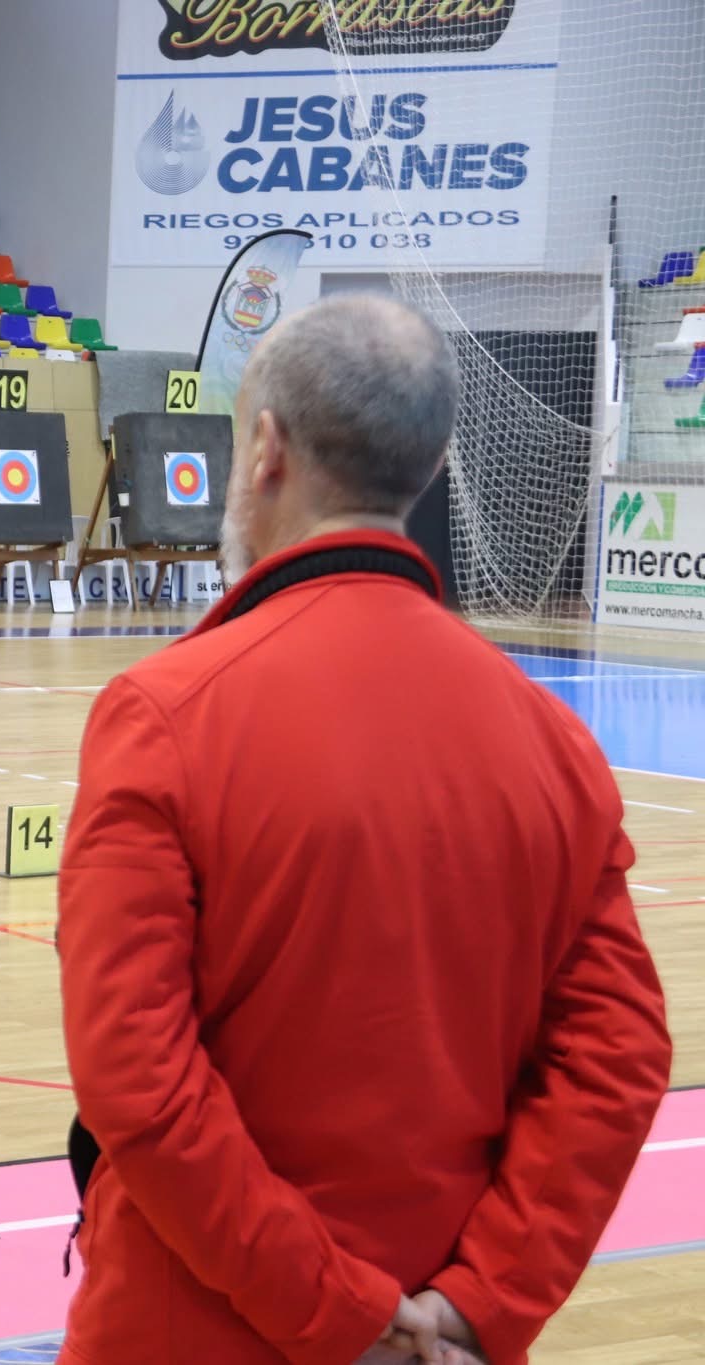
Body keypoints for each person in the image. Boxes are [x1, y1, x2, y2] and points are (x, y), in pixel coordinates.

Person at [55, 294, 671, 1365]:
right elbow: (616, 1055)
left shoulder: (162, 715)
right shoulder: (553, 742)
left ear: (262, 450)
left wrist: (336, 1307)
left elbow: (135, 1080)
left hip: (194, 1328)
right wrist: (478, 1301)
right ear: (428, 469)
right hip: (446, 1336)